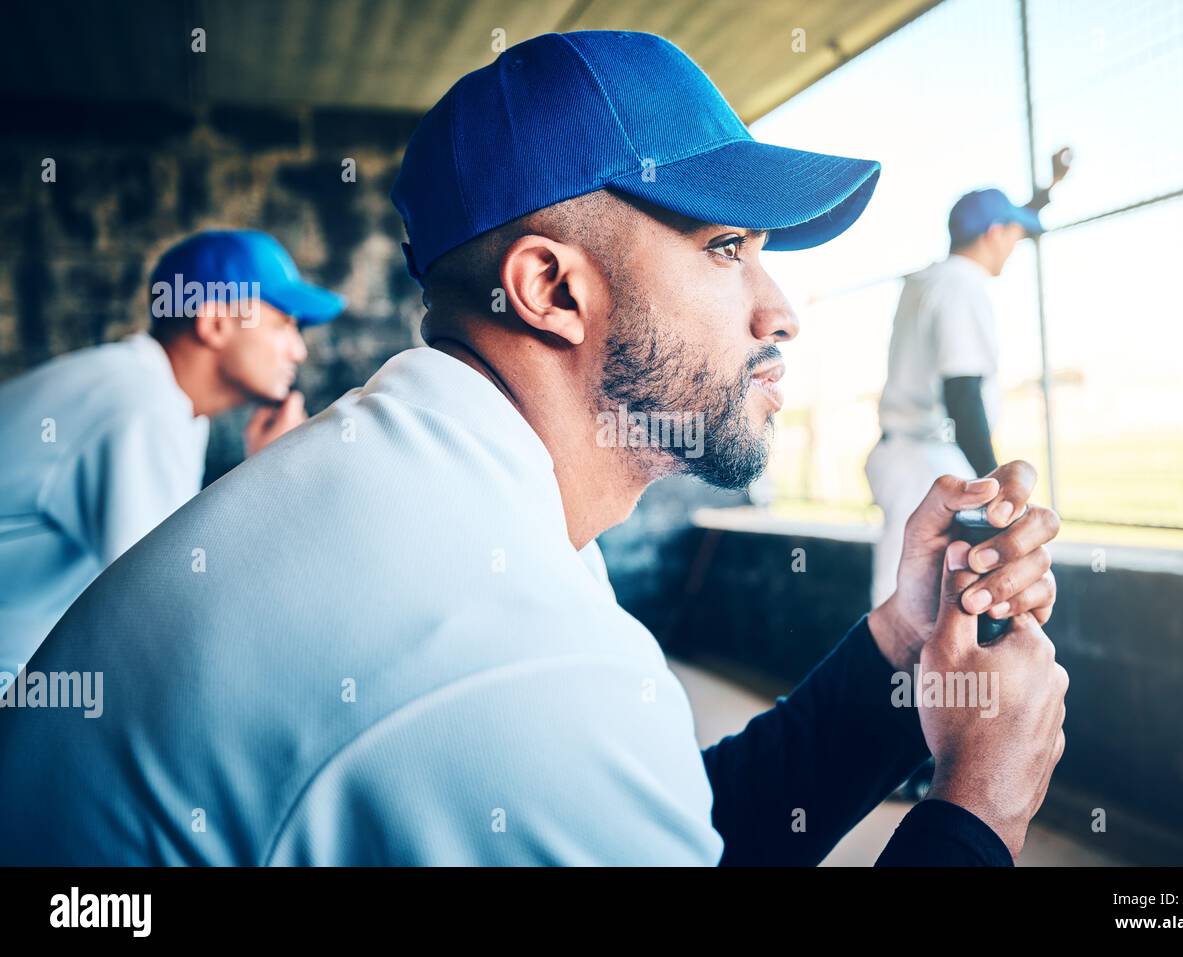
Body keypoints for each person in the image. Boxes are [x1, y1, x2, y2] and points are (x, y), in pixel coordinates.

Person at [0, 31, 1065, 866]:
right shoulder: (491, 634)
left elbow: (679, 832)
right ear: (551, 288)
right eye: (727, 248)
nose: (779, 311)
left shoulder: (445, 484)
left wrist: (901, 651)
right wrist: (979, 806)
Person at [0, 230, 345, 674]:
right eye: (284, 323)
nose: (299, 350)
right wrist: (275, 478)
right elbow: (171, 615)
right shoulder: (140, 405)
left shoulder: (166, 401)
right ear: (214, 322)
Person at [867, 152, 1071, 608]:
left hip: (906, 453)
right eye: (1013, 235)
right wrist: (994, 484)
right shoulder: (963, 286)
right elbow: (961, 393)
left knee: (906, 594)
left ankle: (894, 678)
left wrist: (1049, 189)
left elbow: (1013, 218)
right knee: (910, 603)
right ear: (994, 234)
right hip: (929, 462)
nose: (1016, 246)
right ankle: (893, 682)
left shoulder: (928, 279)